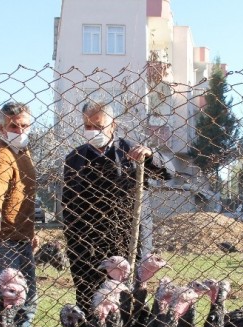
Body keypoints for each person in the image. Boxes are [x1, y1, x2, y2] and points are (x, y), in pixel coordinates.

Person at [62, 101, 174, 316]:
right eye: (87, 126)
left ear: (113, 125)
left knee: (130, 293)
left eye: (99, 125)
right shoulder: (75, 159)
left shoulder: (131, 151)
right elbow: (69, 205)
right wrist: (75, 242)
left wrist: (151, 156)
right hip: (90, 238)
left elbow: (168, 172)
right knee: (90, 293)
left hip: (131, 234)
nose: (93, 131)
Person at [0, 101, 38, 327]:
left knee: (26, 298)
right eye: (14, 127)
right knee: (6, 302)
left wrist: (30, 233)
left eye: (25, 125)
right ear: (1, 128)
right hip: (3, 241)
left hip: (20, 237)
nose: (21, 131)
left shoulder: (22, 151)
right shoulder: (2, 155)